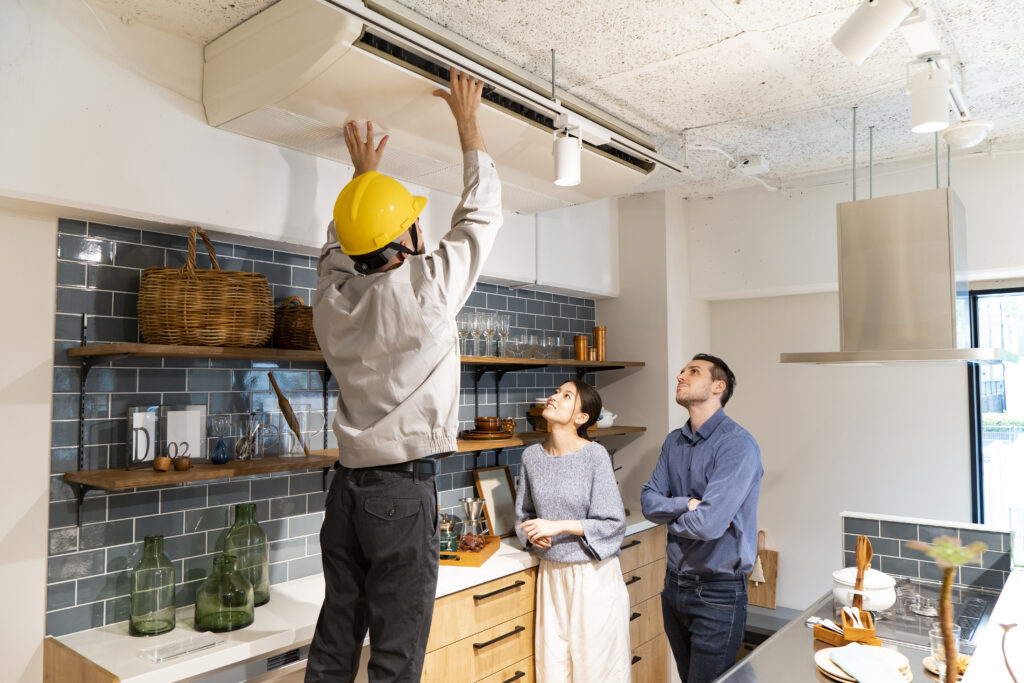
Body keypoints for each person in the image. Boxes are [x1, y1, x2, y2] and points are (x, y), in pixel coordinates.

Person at [305, 67, 502, 683]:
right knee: (396, 655)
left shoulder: (331, 304)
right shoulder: (427, 287)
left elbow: (342, 252)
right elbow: (479, 219)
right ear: (410, 236)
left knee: (336, 639)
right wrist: (468, 125)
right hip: (400, 495)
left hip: (346, 495)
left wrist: (365, 185)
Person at [640, 354, 763, 683]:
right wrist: (687, 504)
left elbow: (708, 525)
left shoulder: (737, 446)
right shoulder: (673, 442)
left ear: (717, 387)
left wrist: (673, 517)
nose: (680, 376)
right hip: (673, 587)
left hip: (717, 593)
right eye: (682, 371)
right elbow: (649, 502)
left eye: (693, 372)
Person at [515, 379, 631, 683]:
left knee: (597, 672)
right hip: (551, 576)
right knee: (553, 672)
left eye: (566, 396)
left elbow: (613, 523)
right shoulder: (531, 458)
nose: (554, 397)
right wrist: (531, 534)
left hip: (593, 577)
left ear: (581, 418)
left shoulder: (595, 456)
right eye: (556, 391)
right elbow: (523, 515)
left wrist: (558, 525)